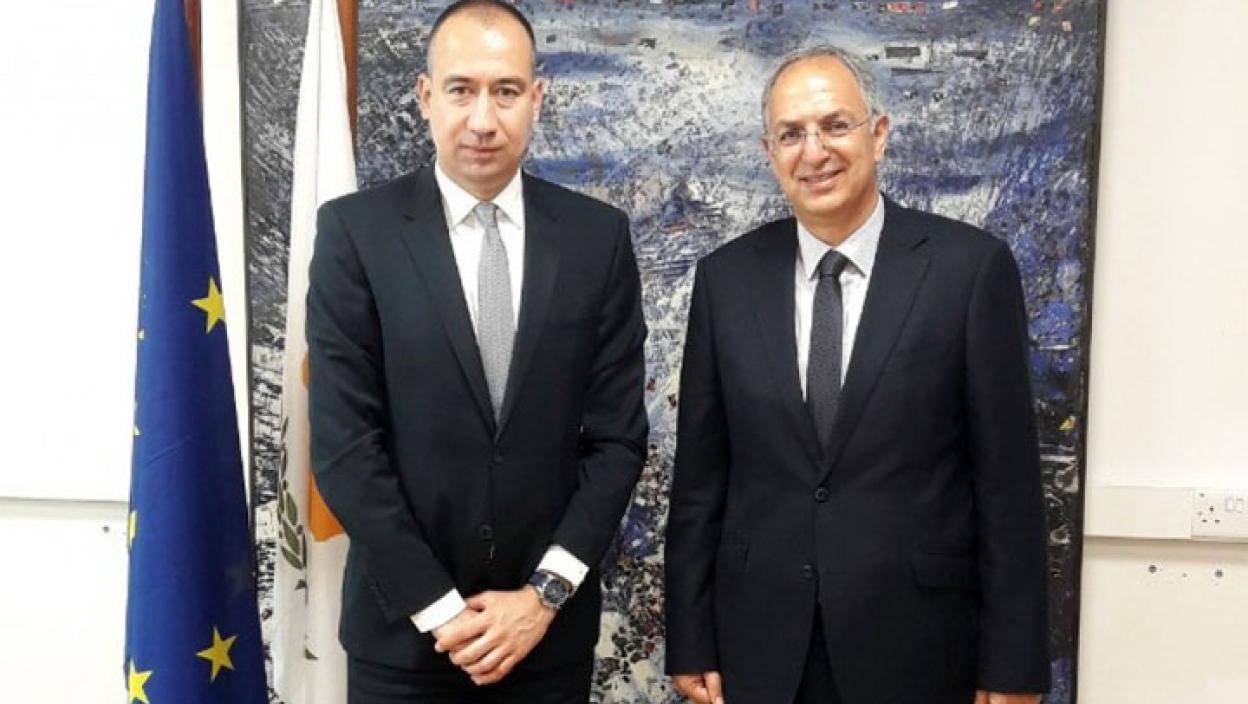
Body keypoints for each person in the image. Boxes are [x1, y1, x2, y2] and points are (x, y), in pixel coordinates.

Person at [664, 45, 1050, 704]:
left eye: (835, 125)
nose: (814, 152)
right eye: (791, 134)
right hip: (760, 647)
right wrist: (689, 639)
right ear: (769, 153)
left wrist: (1013, 667)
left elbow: (1008, 488)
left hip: (919, 647)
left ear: (879, 133)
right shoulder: (725, 281)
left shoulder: (969, 271)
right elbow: (700, 481)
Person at [306, 1, 647, 701]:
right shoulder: (355, 235)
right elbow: (345, 447)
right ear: (426, 97)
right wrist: (442, 613)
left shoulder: (597, 240)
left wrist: (543, 597)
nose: (484, 119)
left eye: (506, 91)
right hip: (403, 647)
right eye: (461, 90)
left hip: (545, 644)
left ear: (536, 99)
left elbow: (617, 441)